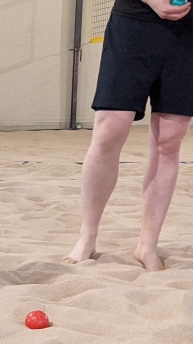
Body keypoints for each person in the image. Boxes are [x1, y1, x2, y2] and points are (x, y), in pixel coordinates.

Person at [64, 0, 193, 271]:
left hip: (188, 29)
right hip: (134, 19)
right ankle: (88, 235)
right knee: (110, 128)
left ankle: (148, 244)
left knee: (170, 138)